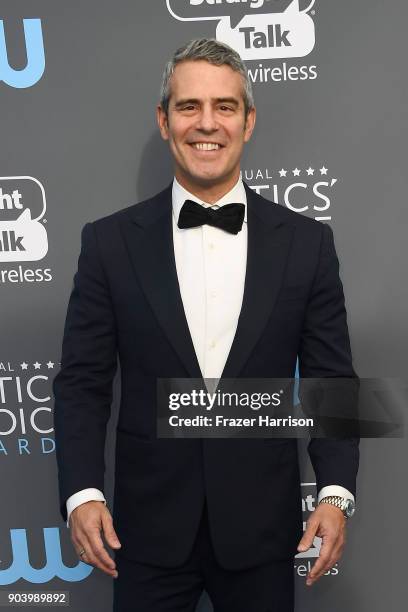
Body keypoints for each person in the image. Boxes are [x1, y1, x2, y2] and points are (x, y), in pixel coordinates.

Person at [53, 38, 359, 612]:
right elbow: (82, 382)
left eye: (224, 106)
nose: (206, 123)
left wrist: (336, 493)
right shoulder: (109, 243)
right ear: (164, 121)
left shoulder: (307, 245)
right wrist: (82, 491)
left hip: (263, 530)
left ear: (248, 121)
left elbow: (332, 382)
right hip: (144, 532)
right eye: (189, 106)